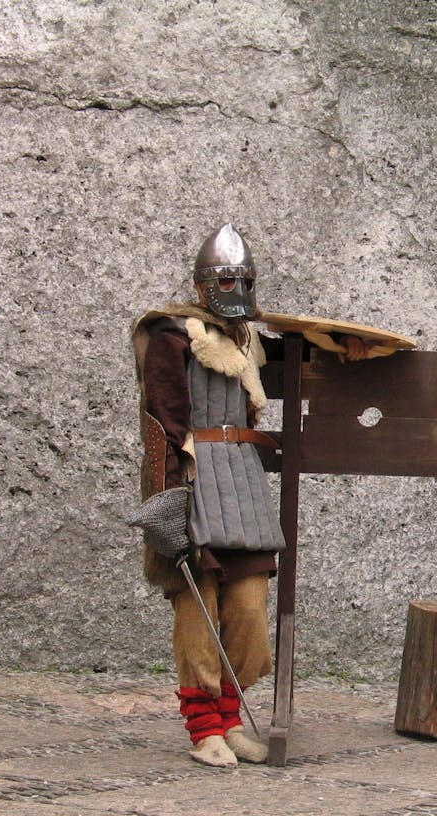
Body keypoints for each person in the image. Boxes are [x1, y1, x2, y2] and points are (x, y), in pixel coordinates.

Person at [129, 224, 367, 769]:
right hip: (192, 476)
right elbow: (160, 419)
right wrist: (168, 498)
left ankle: (231, 717)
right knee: (198, 607)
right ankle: (204, 727)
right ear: (205, 282)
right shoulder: (171, 333)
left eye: (243, 277)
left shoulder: (247, 339)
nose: (235, 285)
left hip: (242, 480)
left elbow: (301, 359)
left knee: (248, 611)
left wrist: (345, 351)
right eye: (226, 277)